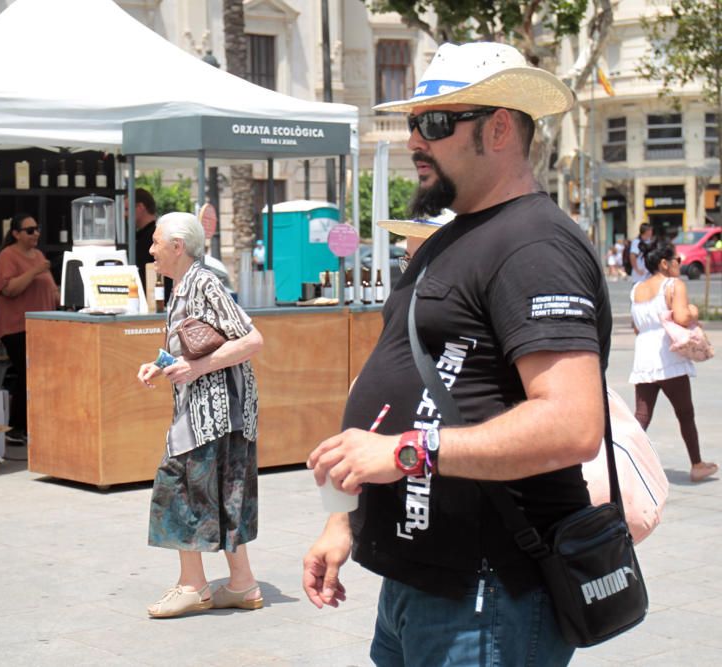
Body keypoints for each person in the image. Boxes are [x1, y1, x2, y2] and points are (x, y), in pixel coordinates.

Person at [302, 42, 611, 665]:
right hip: (420, 580)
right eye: (415, 122)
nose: (417, 139)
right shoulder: (453, 238)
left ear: (499, 127)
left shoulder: (533, 245)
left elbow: (573, 424)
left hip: (486, 593)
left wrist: (406, 452)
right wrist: (346, 519)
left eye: (437, 124)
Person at [136, 212, 264, 619]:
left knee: (177, 488)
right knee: (226, 491)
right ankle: (243, 584)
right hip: (220, 414)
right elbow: (192, 344)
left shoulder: (203, 282)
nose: (150, 249)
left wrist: (195, 369)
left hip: (212, 413)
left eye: (156, 242)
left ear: (177, 247)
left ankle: (193, 585)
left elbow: (251, 338)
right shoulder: (183, 286)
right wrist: (160, 365)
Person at [629, 238, 717, 482]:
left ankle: (623, 462)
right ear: (665, 264)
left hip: (644, 356)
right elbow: (680, 317)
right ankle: (697, 465)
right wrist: (693, 312)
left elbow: (636, 327)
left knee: (642, 415)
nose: (681, 263)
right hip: (668, 355)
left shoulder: (636, 289)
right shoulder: (673, 285)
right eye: (677, 260)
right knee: (685, 412)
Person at [0, 213, 58, 446]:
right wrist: (35, 271)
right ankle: (16, 426)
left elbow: (50, 289)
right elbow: (9, 288)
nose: (36, 234)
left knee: (39, 374)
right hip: (17, 327)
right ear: (16, 234)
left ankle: (33, 424)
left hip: (42, 327)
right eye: (30, 230)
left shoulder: (39, 255)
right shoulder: (8, 256)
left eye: (37, 229)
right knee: (26, 373)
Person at [128, 188, 158, 290]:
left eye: (127, 209)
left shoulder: (151, 236)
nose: (125, 214)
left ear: (140, 207)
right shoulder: (142, 236)